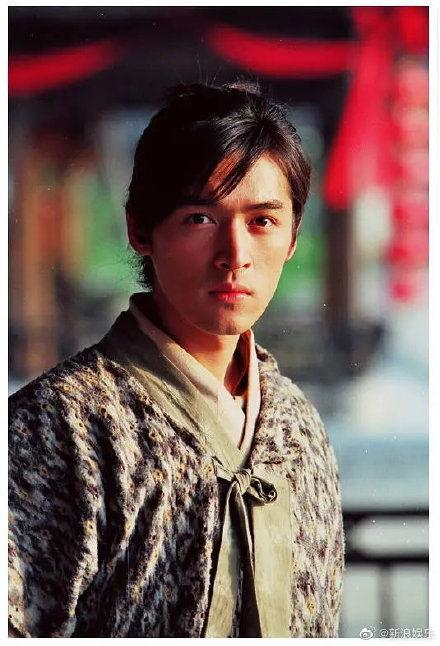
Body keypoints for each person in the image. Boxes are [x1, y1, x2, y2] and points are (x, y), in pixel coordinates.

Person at [8, 81, 345, 638]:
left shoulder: (297, 427)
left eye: (262, 221)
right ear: (141, 229)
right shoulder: (57, 428)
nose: (234, 256)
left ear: (292, 238)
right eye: (200, 219)